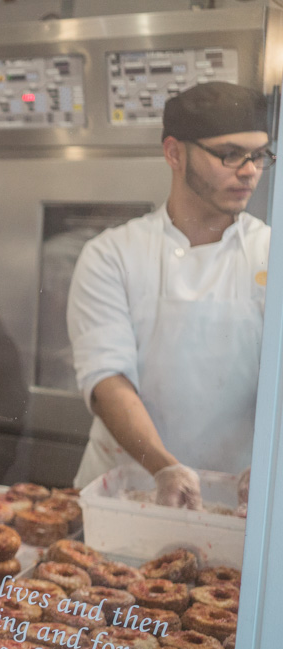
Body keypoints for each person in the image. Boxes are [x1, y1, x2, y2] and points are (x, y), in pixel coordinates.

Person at [68, 82, 272, 507]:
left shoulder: (272, 254)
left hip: (235, 501)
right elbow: (106, 378)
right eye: (230, 154)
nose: (249, 170)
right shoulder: (112, 255)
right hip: (125, 490)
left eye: (259, 155)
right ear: (174, 153)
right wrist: (163, 466)